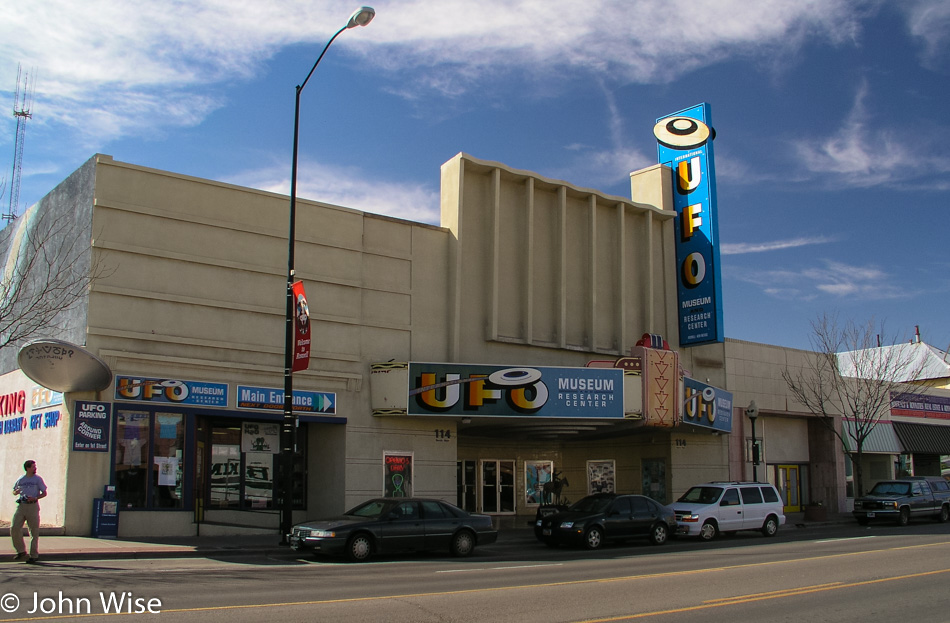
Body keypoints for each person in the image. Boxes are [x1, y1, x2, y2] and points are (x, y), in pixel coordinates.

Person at [11, 460, 47, 563]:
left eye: (35, 466)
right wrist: (15, 492)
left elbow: (44, 493)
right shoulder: (21, 479)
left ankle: (33, 555)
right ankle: (21, 551)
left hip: (33, 506)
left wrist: (35, 498)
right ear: (27, 468)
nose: (35, 468)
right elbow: (14, 491)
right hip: (22, 506)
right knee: (14, 527)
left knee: (34, 531)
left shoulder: (38, 479)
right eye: (33, 467)